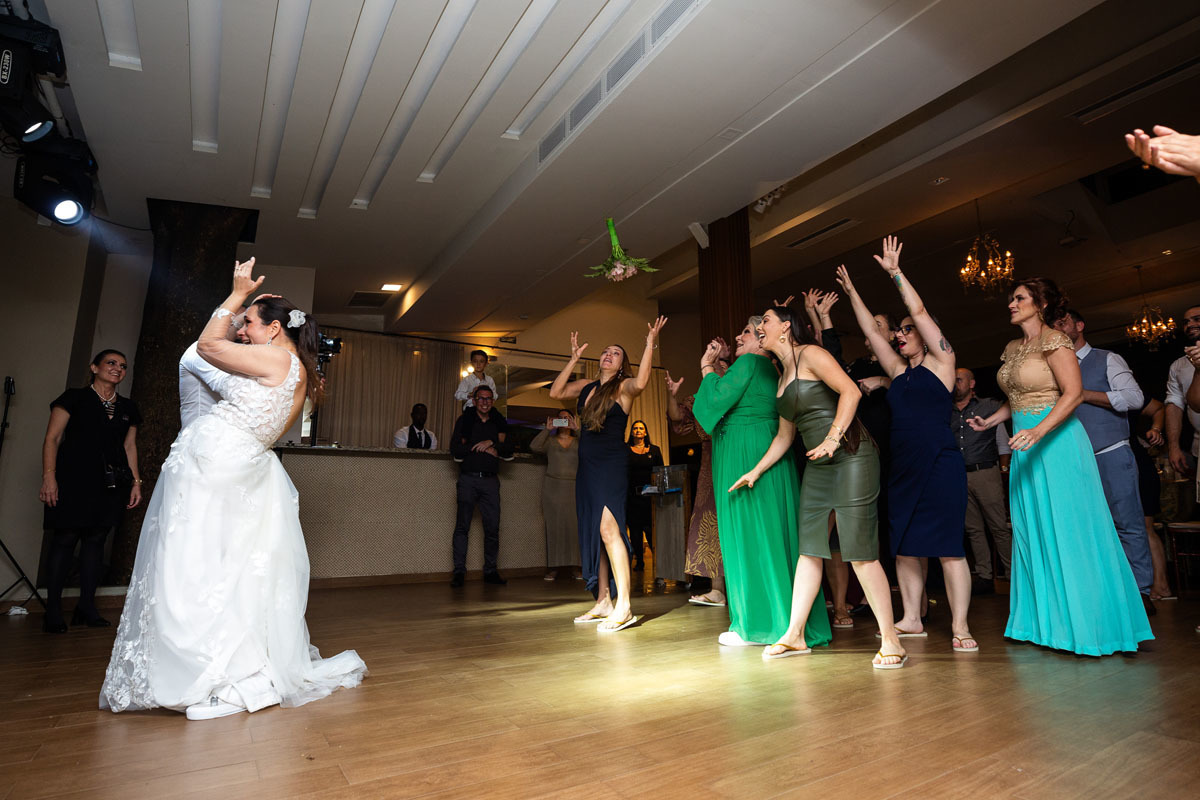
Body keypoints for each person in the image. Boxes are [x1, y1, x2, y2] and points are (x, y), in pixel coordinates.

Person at [100, 258, 366, 719]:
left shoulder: (275, 357)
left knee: (195, 570)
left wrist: (237, 294)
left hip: (218, 466)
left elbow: (206, 346)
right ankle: (229, 667)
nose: (242, 330)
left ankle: (208, 673)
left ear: (275, 328)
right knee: (230, 575)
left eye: (248, 325)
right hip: (239, 467)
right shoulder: (296, 369)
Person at [967, 277, 1152, 656]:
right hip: (1027, 449)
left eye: (1018, 298)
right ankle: (1042, 624)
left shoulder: (1056, 340)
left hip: (1057, 447)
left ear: (1040, 303)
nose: (1011, 304)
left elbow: (1071, 395)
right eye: (1011, 299)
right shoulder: (1013, 347)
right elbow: (1018, 397)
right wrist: (992, 421)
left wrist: (1037, 432)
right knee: (1033, 532)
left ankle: (1087, 627)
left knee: (1069, 532)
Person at [735, 306, 903, 669]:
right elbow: (784, 436)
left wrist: (833, 438)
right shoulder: (781, 377)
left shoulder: (812, 354)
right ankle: (794, 636)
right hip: (819, 463)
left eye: (764, 320)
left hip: (852, 455)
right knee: (809, 549)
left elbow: (850, 393)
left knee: (859, 551)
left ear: (785, 328)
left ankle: (891, 640)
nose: (758, 327)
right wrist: (756, 471)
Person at [837, 237, 976, 653]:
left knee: (949, 548)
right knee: (905, 546)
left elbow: (917, 310)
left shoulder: (943, 363)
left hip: (939, 462)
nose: (899, 335)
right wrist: (851, 293)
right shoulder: (897, 372)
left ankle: (961, 626)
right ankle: (912, 618)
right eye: (897, 332)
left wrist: (895, 272)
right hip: (902, 466)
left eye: (906, 330)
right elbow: (867, 330)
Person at [694, 317, 832, 649]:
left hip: (746, 454)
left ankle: (755, 626)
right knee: (773, 536)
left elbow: (713, 402)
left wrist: (706, 367)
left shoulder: (751, 362)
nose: (740, 337)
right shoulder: (774, 370)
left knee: (748, 537)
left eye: (747, 332)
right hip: (768, 452)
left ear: (761, 339)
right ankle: (787, 621)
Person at [549, 317, 668, 632]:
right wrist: (573, 359)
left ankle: (625, 605)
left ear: (621, 366)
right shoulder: (587, 387)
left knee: (609, 529)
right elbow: (555, 392)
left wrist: (649, 343)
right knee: (595, 532)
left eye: (615, 353)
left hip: (611, 466)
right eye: (605, 351)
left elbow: (642, 383)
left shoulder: (624, 388)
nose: (607, 355)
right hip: (586, 468)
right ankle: (603, 600)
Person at [1052, 309, 1155, 614]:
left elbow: (1135, 399)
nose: (1058, 328)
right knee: (1086, 528)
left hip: (1111, 452)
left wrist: (1083, 394)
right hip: (1074, 459)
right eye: (1054, 324)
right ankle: (1100, 592)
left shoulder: (1106, 358)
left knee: (1128, 523)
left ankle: (1140, 591)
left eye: (1063, 322)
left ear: (1079, 325)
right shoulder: (1055, 367)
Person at [39, 350, 143, 633]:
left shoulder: (128, 408)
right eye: (111, 363)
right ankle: (54, 610)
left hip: (110, 485)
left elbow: (129, 447)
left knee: (96, 542)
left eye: (122, 366)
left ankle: (86, 606)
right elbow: (53, 438)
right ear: (94, 366)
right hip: (72, 480)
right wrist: (49, 477)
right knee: (65, 539)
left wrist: (136, 481)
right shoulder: (73, 398)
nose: (117, 369)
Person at [951, 367, 1013, 593]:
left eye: (959, 380)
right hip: (958, 475)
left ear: (971, 383)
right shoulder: (945, 410)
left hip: (985, 472)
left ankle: (1012, 574)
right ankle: (985, 577)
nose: (954, 383)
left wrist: (1004, 466)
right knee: (973, 529)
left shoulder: (990, 406)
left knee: (998, 526)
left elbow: (1003, 442)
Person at [666, 370, 725, 606]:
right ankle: (717, 589)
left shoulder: (739, 386)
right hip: (711, 462)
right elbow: (678, 420)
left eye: (723, 362)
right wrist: (671, 395)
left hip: (740, 454)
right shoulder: (699, 398)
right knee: (710, 521)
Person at [448, 384, 513, 587]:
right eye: (481, 399)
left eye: (488, 399)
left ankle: (490, 571)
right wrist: (479, 448)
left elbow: (510, 449)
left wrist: (492, 443)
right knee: (462, 527)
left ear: (492, 401)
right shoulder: (465, 420)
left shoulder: (499, 422)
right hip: (468, 479)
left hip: (491, 482)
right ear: (474, 401)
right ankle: (459, 572)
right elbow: (455, 450)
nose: (484, 402)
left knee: (492, 528)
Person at [530, 409, 581, 581]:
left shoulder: (579, 441)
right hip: (553, 488)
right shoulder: (550, 441)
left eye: (567, 418)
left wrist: (578, 429)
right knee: (554, 528)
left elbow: (592, 450)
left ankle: (577, 567)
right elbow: (534, 447)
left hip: (574, 487)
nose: (564, 421)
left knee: (574, 528)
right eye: (561, 418)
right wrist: (547, 429)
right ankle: (553, 568)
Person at [1164, 305, 1200, 479]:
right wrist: (1173, 446)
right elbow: (1174, 405)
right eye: (1186, 322)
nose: (1190, 324)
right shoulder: (1178, 365)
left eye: (1197, 319)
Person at [625, 419, 663, 572]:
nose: (638, 430)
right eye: (635, 428)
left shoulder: (654, 450)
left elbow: (661, 472)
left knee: (651, 530)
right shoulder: (625, 450)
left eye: (641, 428)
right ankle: (639, 561)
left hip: (650, 497)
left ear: (645, 432)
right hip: (632, 497)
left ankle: (659, 562)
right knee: (634, 531)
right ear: (632, 432)